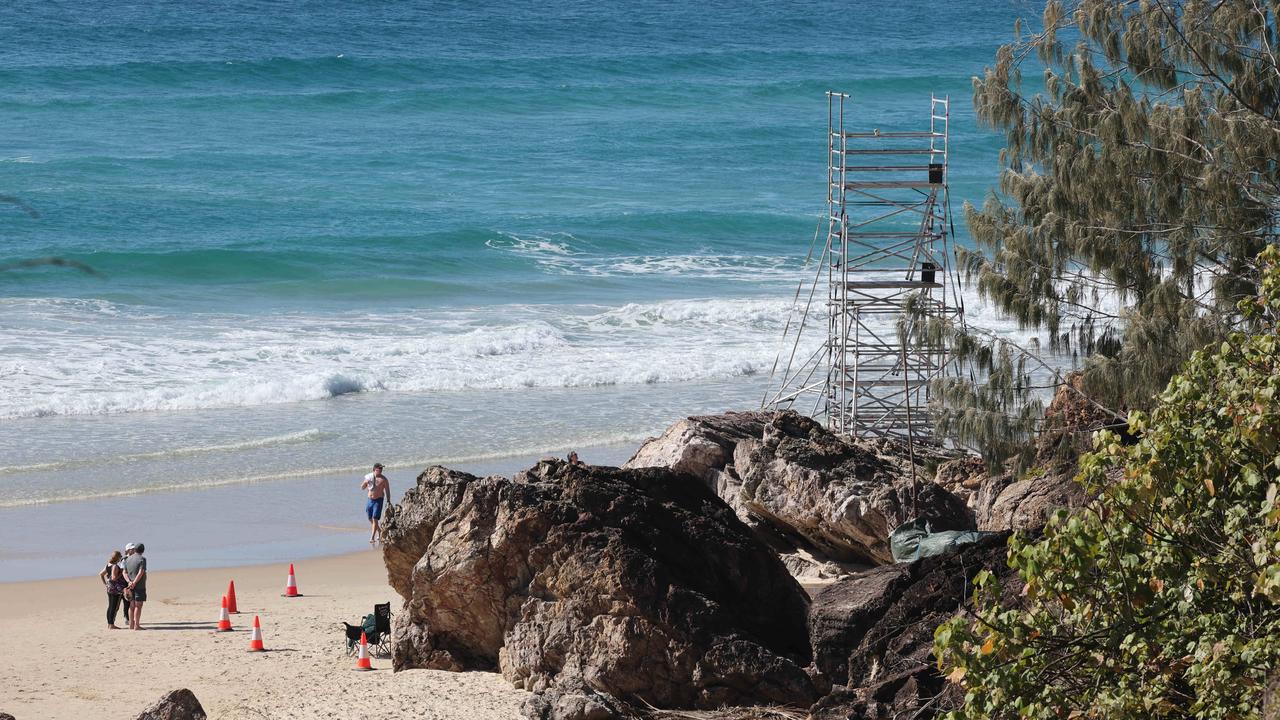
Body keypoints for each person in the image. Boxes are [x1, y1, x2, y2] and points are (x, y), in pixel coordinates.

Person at [360, 463, 390, 545]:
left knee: (375, 518)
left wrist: (388, 500)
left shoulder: (384, 479)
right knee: (369, 518)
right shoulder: (369, 477)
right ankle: (379, 531)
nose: (381, 470)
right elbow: (362, 488)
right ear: (374, 470)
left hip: (378, 500)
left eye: (381, 469)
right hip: (370, 500)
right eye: (379, 469)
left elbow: (387, 490)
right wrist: (365, 483)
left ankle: (372, 537)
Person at [99, 550, 127, 629]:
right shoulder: (114, 566)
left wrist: (105, 584)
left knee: (110, 606)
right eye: (120, 557)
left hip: (110, 589)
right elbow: (114, 578)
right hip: (116, 590)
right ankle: (111, 624)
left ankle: (109, 623)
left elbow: (101, 574)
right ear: (117, 558)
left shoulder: (108, 565)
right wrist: (121, 573)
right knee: (114, 607)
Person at [123, 542, 147, 630]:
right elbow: (141, 572)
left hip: (130, 586)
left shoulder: (127, 559)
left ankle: (131, 625)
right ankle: (136, 625)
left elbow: (124, 572)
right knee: (138, 606)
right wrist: (134, 583)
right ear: (143, 550)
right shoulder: (142, 559)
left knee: (131, 606)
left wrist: (129, 582)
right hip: (139, 585)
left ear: (135, 549)